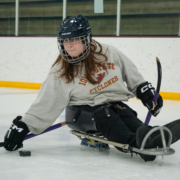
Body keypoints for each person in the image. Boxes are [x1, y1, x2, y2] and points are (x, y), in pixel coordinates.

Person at [3, 14, 180, 162]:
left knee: (124, 113)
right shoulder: (60, 71)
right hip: (82, 112)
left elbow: (131, 73)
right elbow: (46, 103)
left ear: (86, 39)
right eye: (65, 41)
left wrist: (144, 91)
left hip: (112, 104)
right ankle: (137, 143)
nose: (69, 46)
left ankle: (150, 135)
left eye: (74, 40)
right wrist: (23, 126)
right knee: (106, 115)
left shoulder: (108, 52)